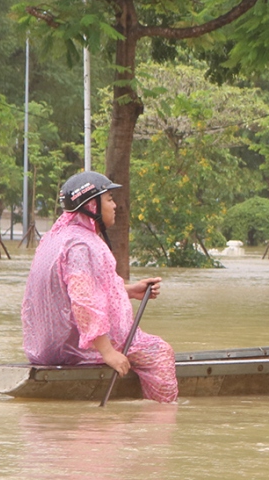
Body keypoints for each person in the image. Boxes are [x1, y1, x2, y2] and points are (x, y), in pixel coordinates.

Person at [21, 172, 178, 402]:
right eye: (109, 199)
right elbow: (84, 302)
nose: (115, 206)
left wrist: (130, 290)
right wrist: (108, 352)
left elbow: (77, 290)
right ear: (91, 204)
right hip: (74, 349)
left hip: (44, 348)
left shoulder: (56, 237)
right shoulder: (82, 244)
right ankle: (158, 423)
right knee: (160, 353)